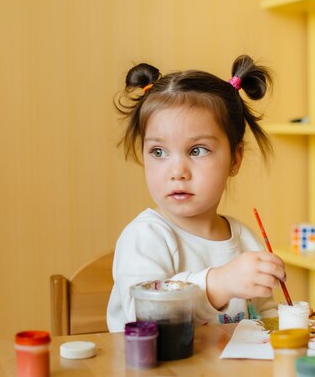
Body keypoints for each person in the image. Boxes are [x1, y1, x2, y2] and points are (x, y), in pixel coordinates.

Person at [107, 55, 304, 333]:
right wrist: (218, 284)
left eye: (197, 150)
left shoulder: (245, 239)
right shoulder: (145, 237)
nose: (177, 171)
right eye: (158, 152)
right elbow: (146, 318)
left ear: (235, 159)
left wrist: (287, 321)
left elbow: (260, 311)